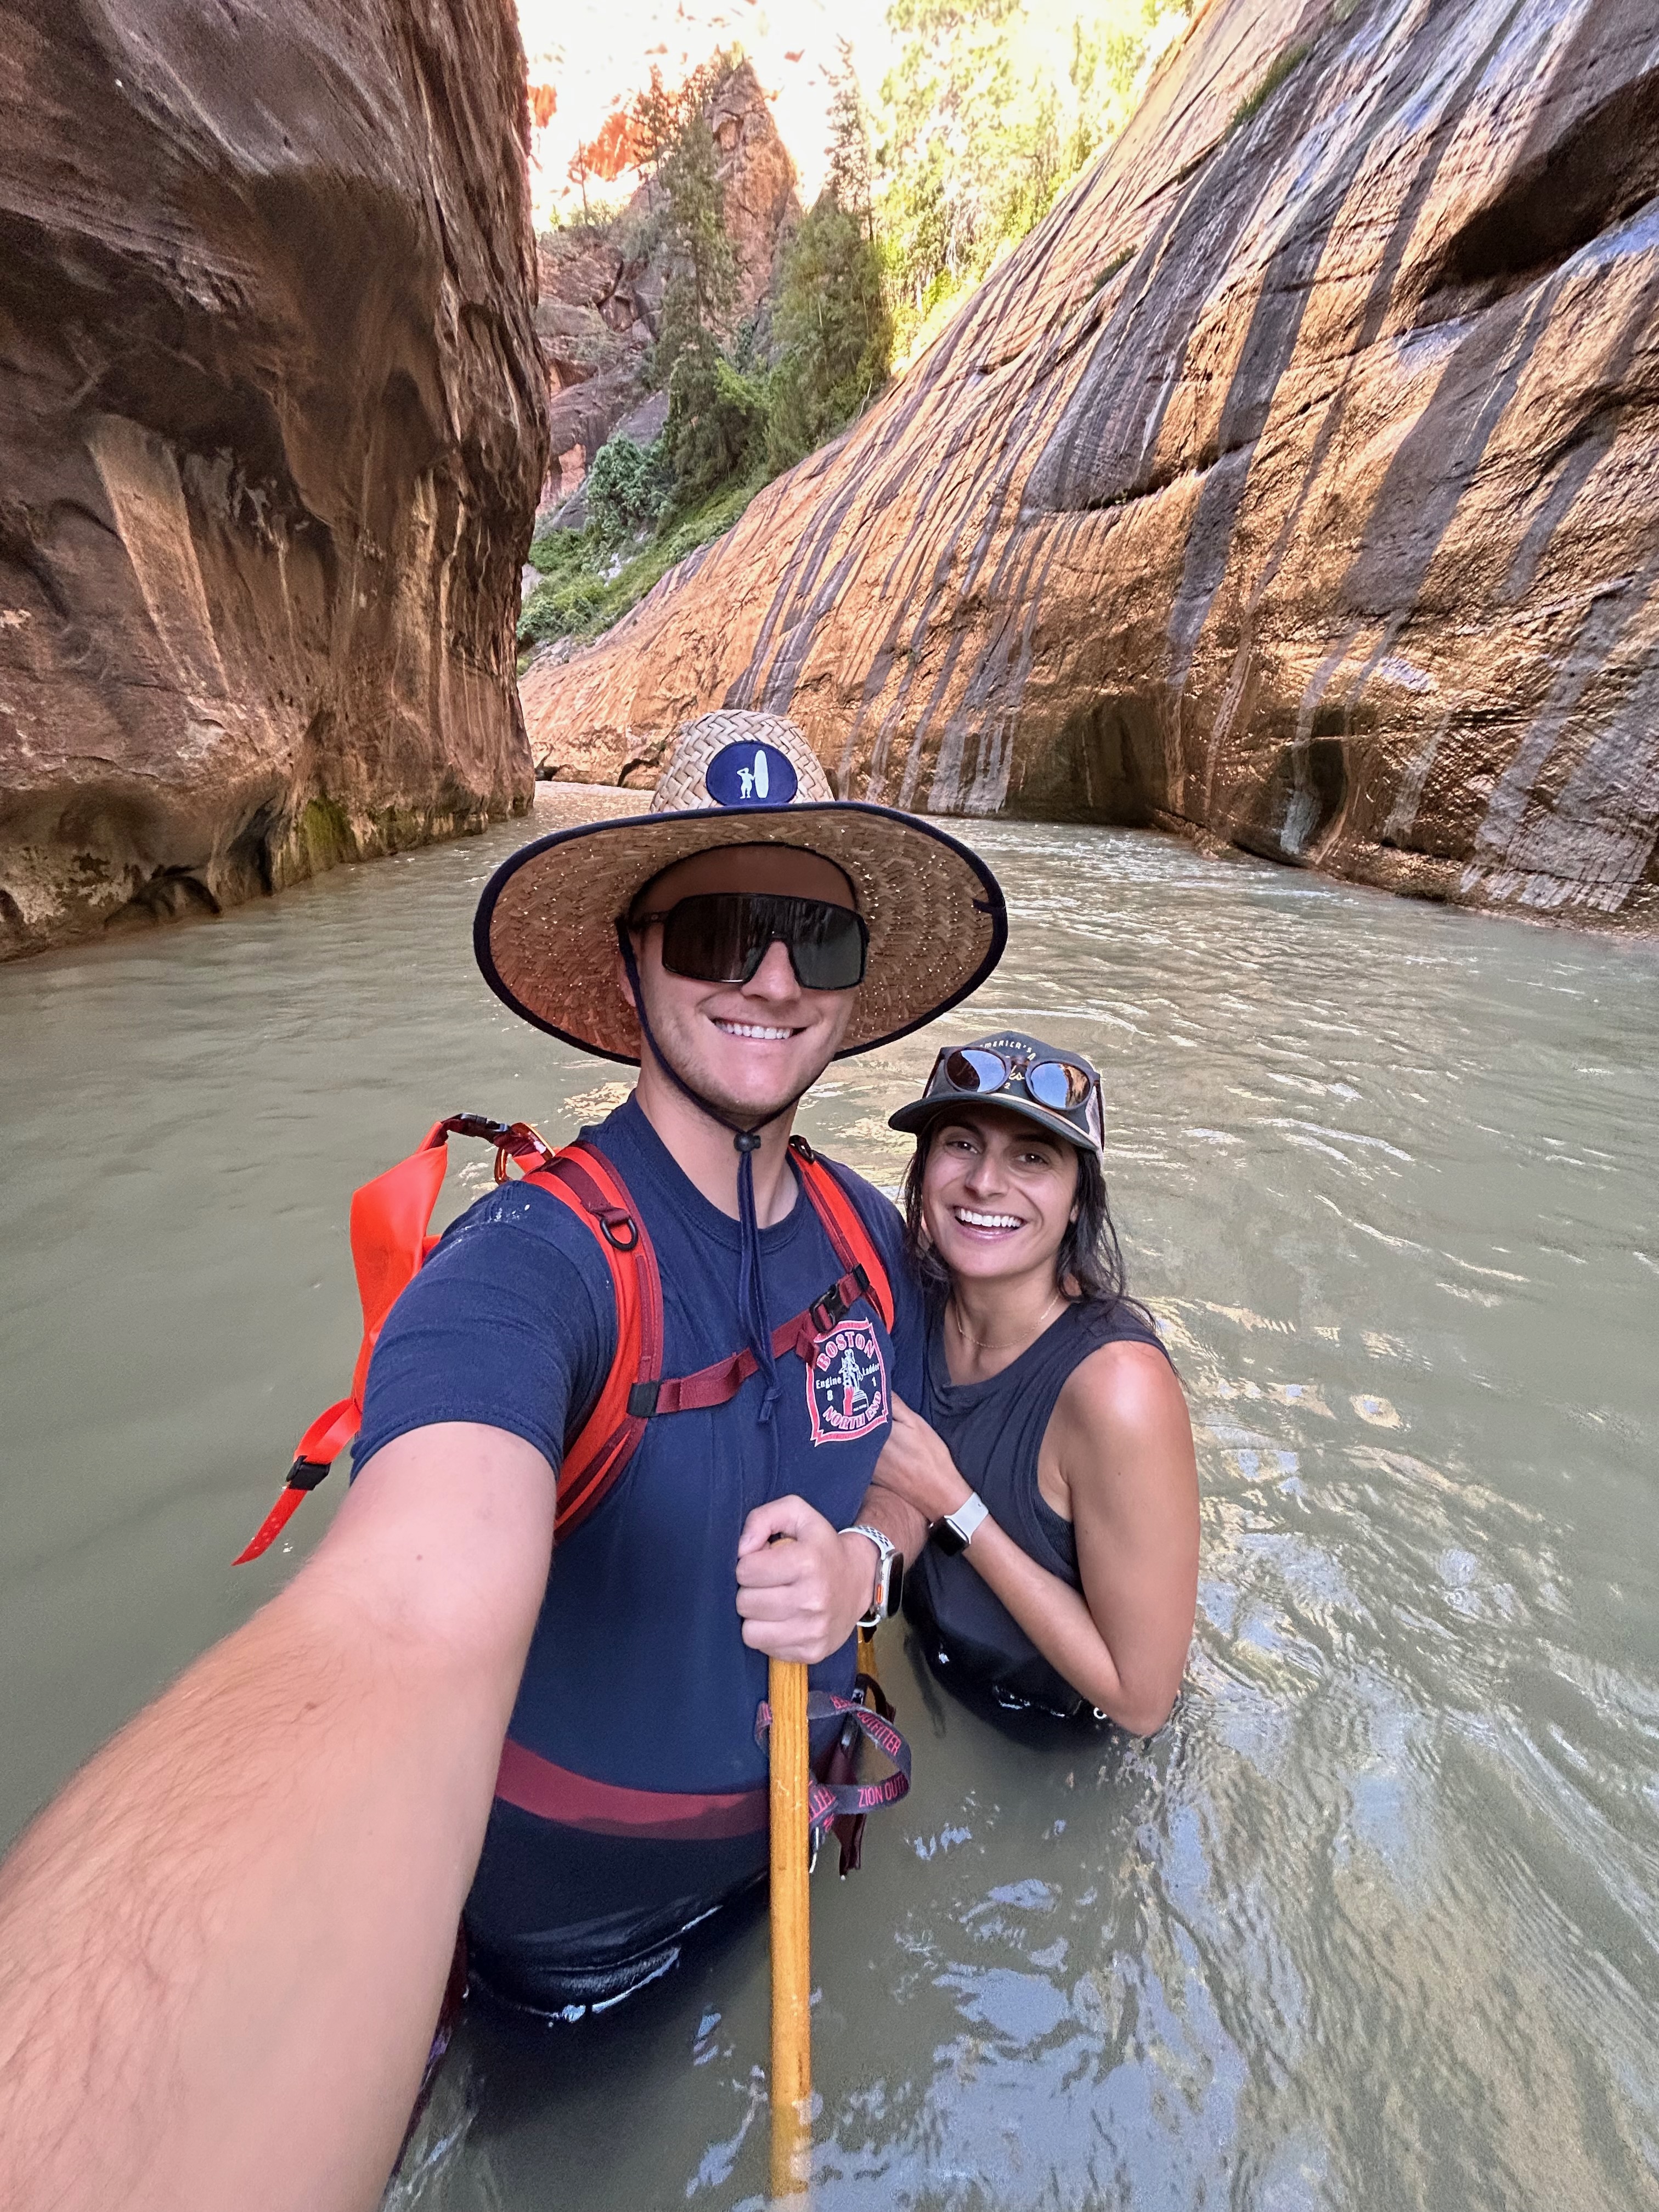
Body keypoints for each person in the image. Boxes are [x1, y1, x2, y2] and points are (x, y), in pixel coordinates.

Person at [0, 712, 1000, 2212]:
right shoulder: (528, 1268)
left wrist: (868, 1568)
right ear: (629, 965)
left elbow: (899, 1483)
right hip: (559, 1947)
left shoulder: (872, 1240)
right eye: (721, 928)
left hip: (781, 1858)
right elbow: (399, 1615)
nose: (774, 977)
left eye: (816, 936)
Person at [872, 1033, 1198, 1732]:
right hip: (932, 1682)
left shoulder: (1118, 1393)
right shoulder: (906, 1303)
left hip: (1064, 1745)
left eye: (1031, 1157)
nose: (986, 1183)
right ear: (924, 1167)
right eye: (961, 1144)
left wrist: (953, 1504)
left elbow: (1142, 1703)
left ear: (1080, 1200)